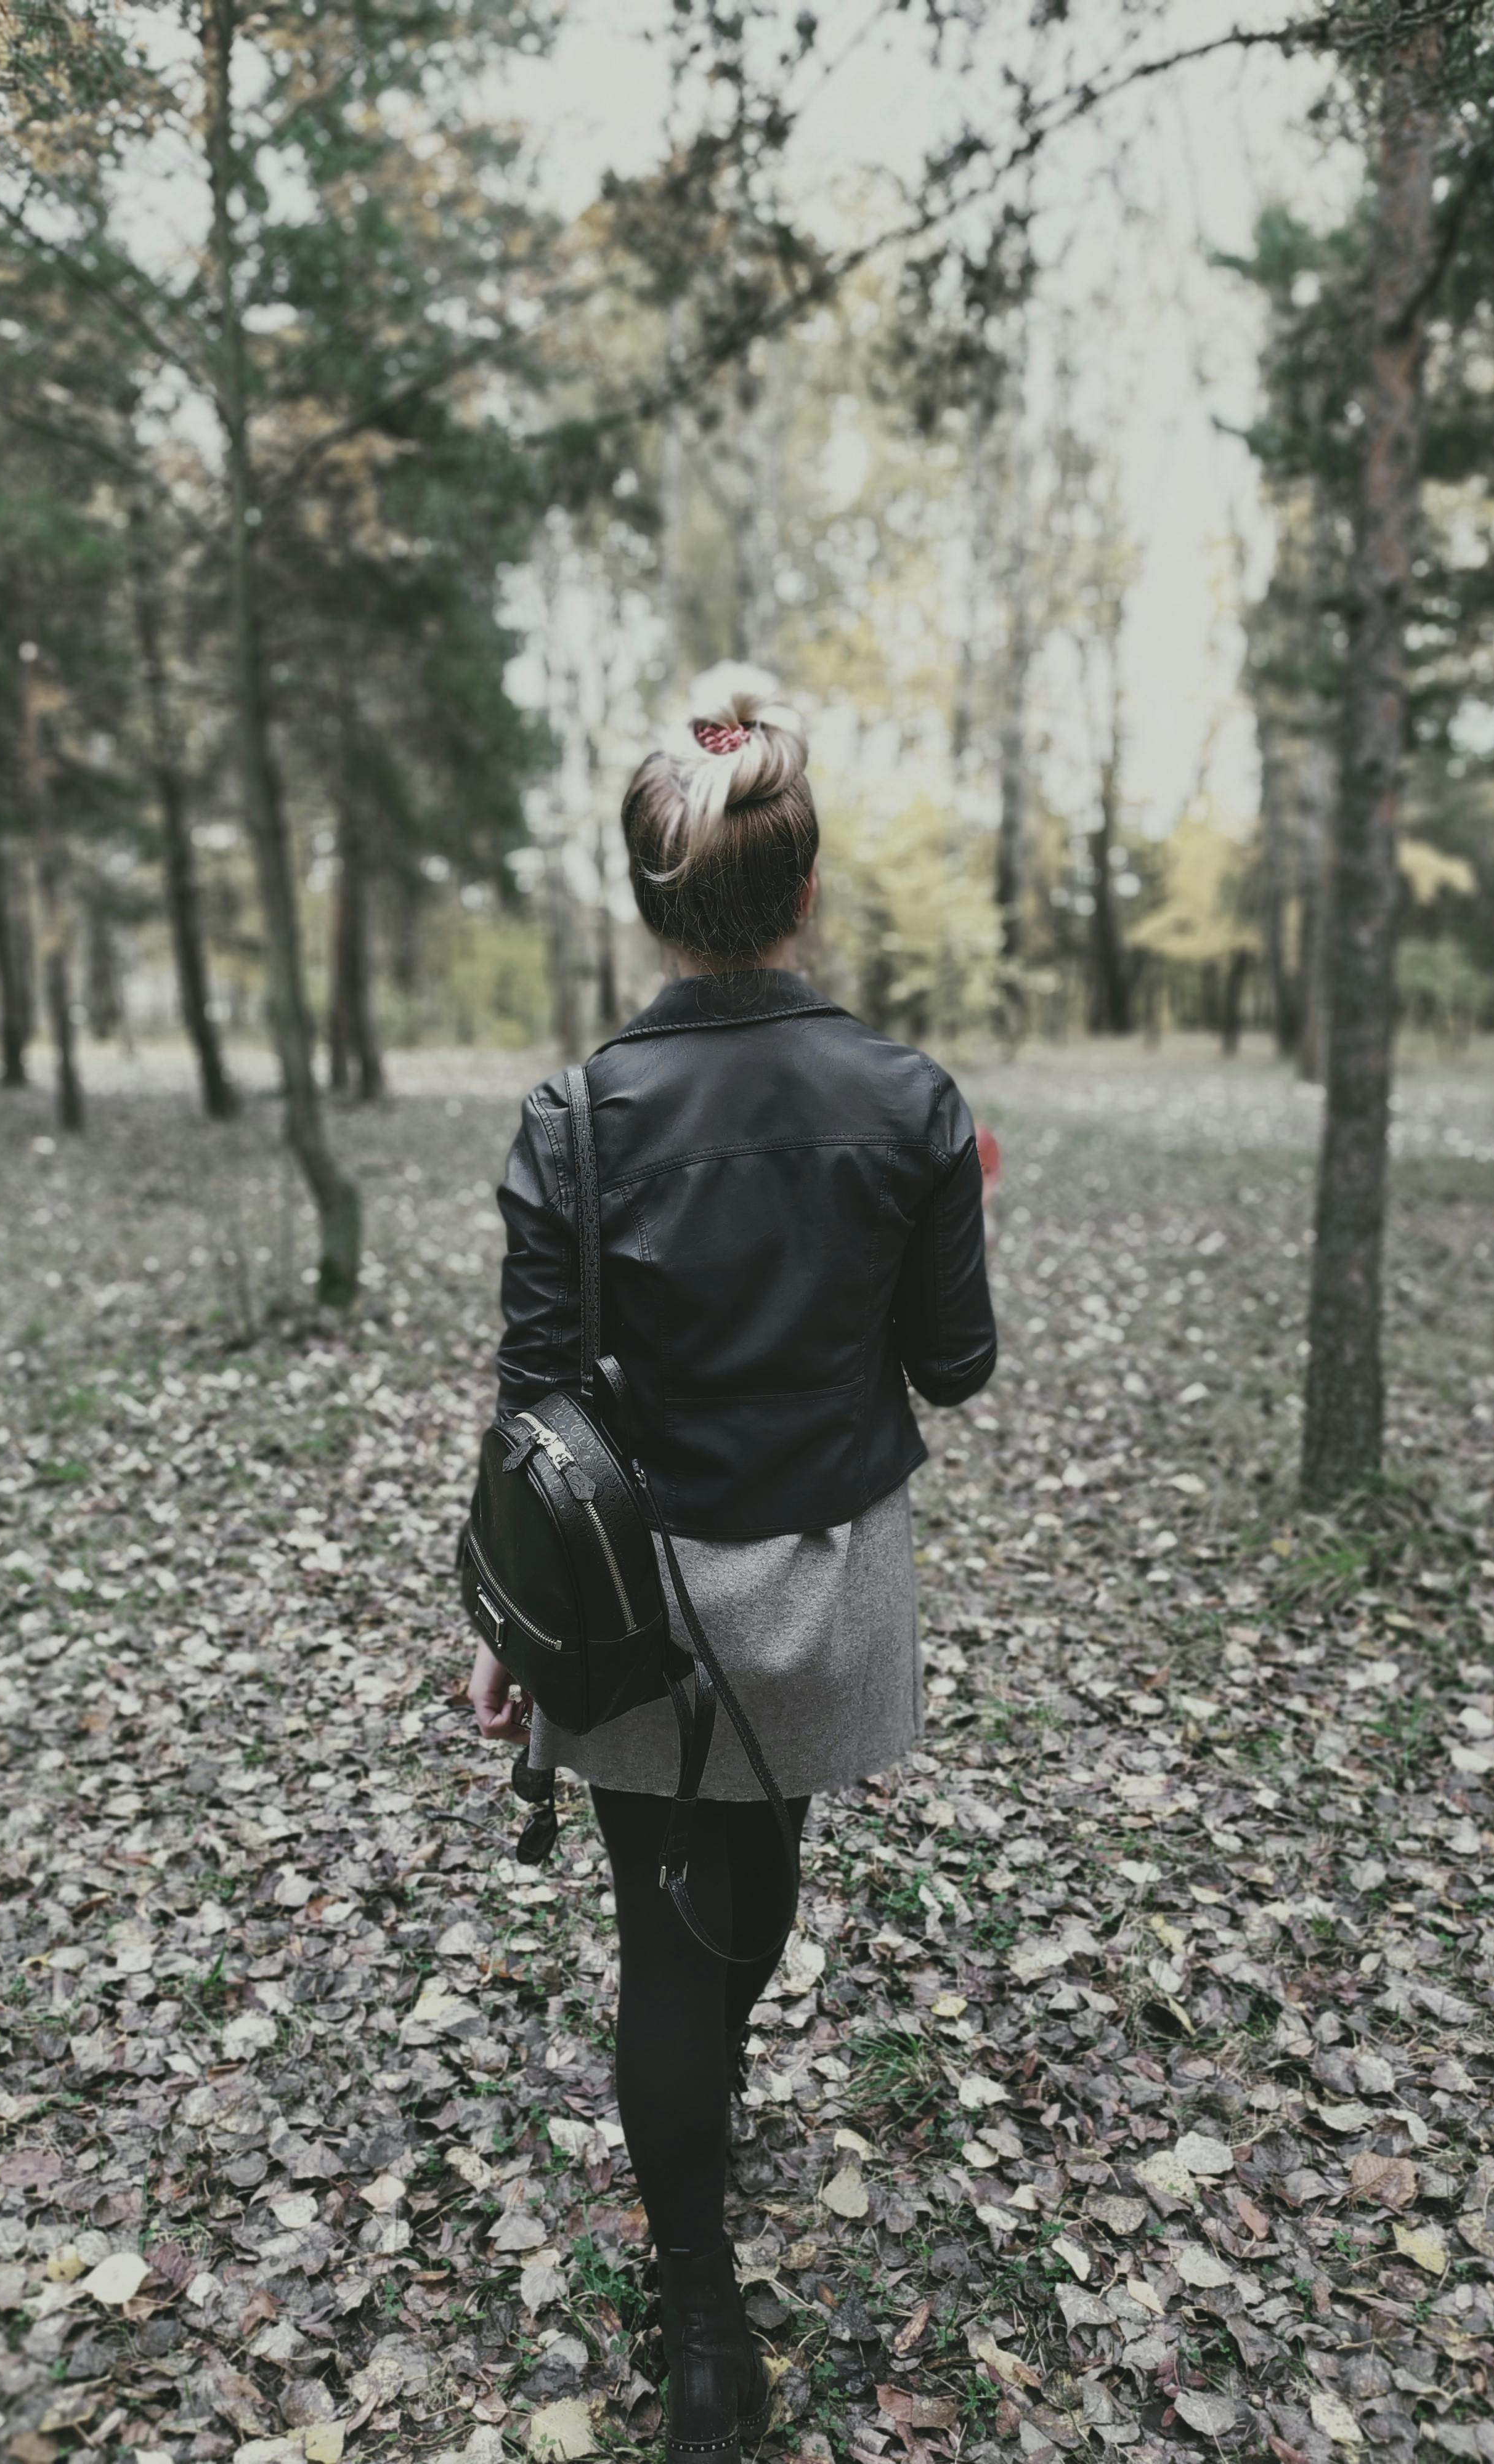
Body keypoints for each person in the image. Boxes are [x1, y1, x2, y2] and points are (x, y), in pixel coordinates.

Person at [467, 664, 997, 2464]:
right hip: (823, 1582)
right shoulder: (912, 1101)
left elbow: (538, 1396)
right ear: (806, 889)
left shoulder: (571, 1118)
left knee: (663, 1943)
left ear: (651, 896)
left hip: (627, 1603)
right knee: (735, 1920)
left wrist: (506, 1619)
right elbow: (955, 1365)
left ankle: (700, 2300)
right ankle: (700, 2255)